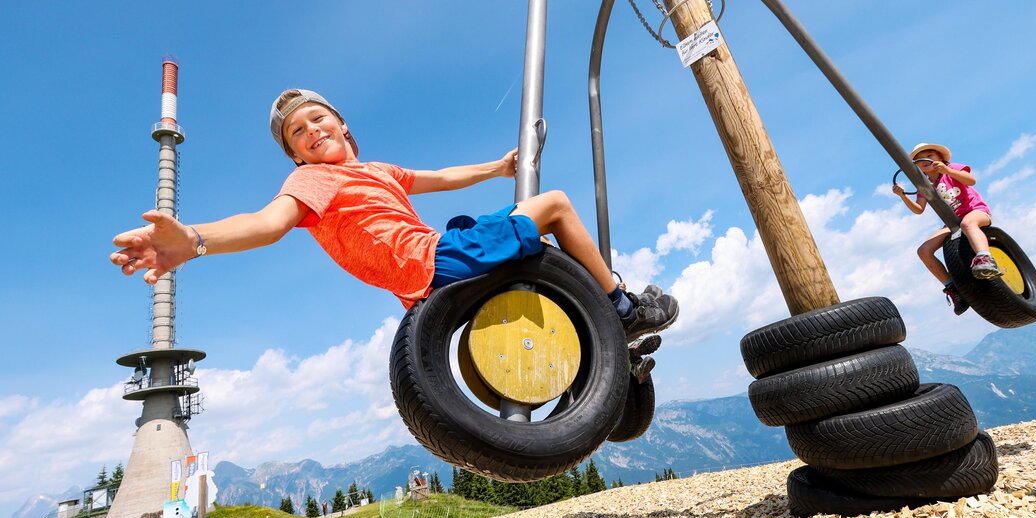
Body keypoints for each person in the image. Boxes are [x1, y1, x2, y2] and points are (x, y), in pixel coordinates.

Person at [111, 89, 678, 343]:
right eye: (297, 134)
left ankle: (593, 325)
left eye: (316, 119)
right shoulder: (313, 181)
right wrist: (193, 239)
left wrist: (498, 168)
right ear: (296, 155)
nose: (311, 132)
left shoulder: (376, 171)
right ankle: (623, 308)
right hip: (429, 264)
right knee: (553, 204)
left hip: (432, 263)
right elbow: (268, 222)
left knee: (523, 234)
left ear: (341, 124)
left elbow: (437, 178)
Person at [892, 142, 1001, 315]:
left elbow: (971, 180)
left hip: (975, 212)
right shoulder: (925, 186)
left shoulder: (952, 169)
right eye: (919, 160)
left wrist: (948, 171)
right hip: (952, 224)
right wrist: (903, 196)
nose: (925, 160)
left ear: (940, 158)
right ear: (917, 167)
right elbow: (919, 209)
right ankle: (953, 288)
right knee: (923, 251)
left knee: (967, 224)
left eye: (930, 155)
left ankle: (985, 259)